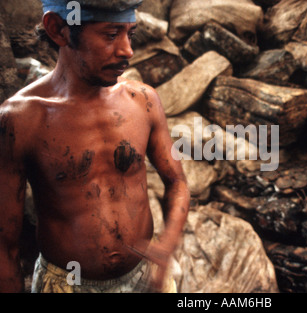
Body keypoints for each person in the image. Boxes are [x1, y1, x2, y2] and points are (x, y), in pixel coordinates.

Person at [0, 0, 190, 293]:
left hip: (145, 276)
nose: (127, 50)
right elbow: (5, 246)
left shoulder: (144, 102)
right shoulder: (21, 120)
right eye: (111, 35)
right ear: (58, 30)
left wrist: (165, 247)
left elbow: (177, 182)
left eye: (131, 34)